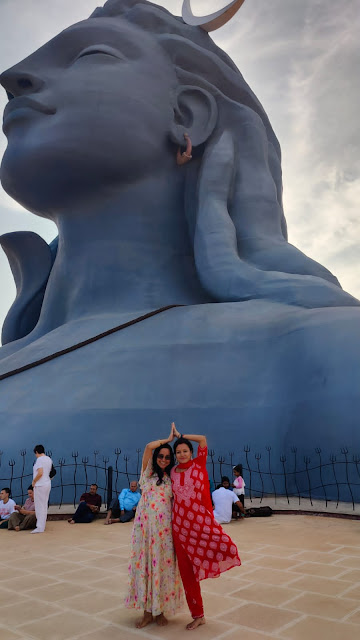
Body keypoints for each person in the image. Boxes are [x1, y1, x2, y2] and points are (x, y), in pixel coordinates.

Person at [1, 0, 360, 500]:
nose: (13, 76)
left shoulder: (327, 354)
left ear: (188, 114)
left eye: (90, 56)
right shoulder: (16, 352)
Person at [171, 424, 241, 630]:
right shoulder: (173, 472)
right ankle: (198, 614)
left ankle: (198, 612)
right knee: (186, 573)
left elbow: (202, 439)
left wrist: (180, 435)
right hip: (180, 530)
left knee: (223, 546)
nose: (182, 454)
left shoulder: (199, 464)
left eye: (185, 451)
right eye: (178, 452)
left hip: (201, 525)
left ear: (191, 453)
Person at [125, 425, 183, 628]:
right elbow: (149, 447)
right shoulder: (147, 474)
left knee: (163, 570)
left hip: (165, 535)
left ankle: (161, 611)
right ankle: (147, 612)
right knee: (146, 569)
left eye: (168, 457)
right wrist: (168, 439)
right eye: (162, 456)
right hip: (145, 532)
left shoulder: (172, 477)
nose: (164, 460)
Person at [32, 445, 53, 533]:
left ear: (36, 452)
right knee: (44, 505)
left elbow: (40, 472)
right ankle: (42, 525)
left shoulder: (39, 460)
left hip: (40, 485)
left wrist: (34, 481)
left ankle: (40, 527)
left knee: (39, 506)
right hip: (47, 483)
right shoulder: (49, 459)